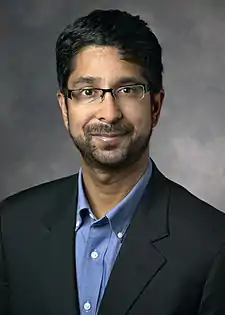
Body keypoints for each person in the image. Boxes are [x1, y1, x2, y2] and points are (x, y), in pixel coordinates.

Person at [0, 8, 225, 315]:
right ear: (65, 108)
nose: (109, 112)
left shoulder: (213, 243)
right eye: (88, 91)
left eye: (128, 90)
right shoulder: (11, 226)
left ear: (155, 106)